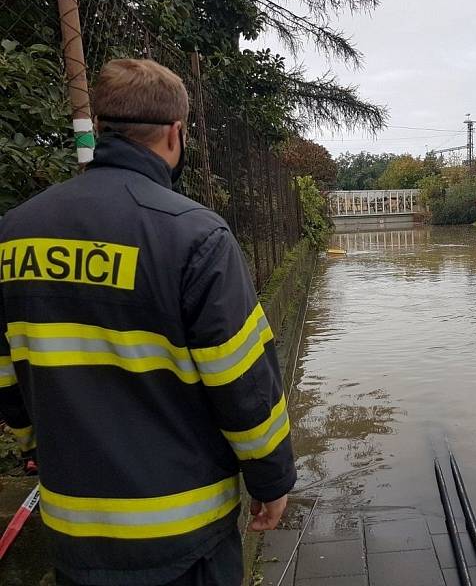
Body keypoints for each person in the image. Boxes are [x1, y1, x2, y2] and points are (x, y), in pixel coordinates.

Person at [0, 59, 296, 585]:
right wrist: (271, 480)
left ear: (105, 125)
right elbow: (242, 381)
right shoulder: (194, 236)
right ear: (175, 132)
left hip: (74, 528)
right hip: (185, 534)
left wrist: (35, 449)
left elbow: (6, 377)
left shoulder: (14, 233)